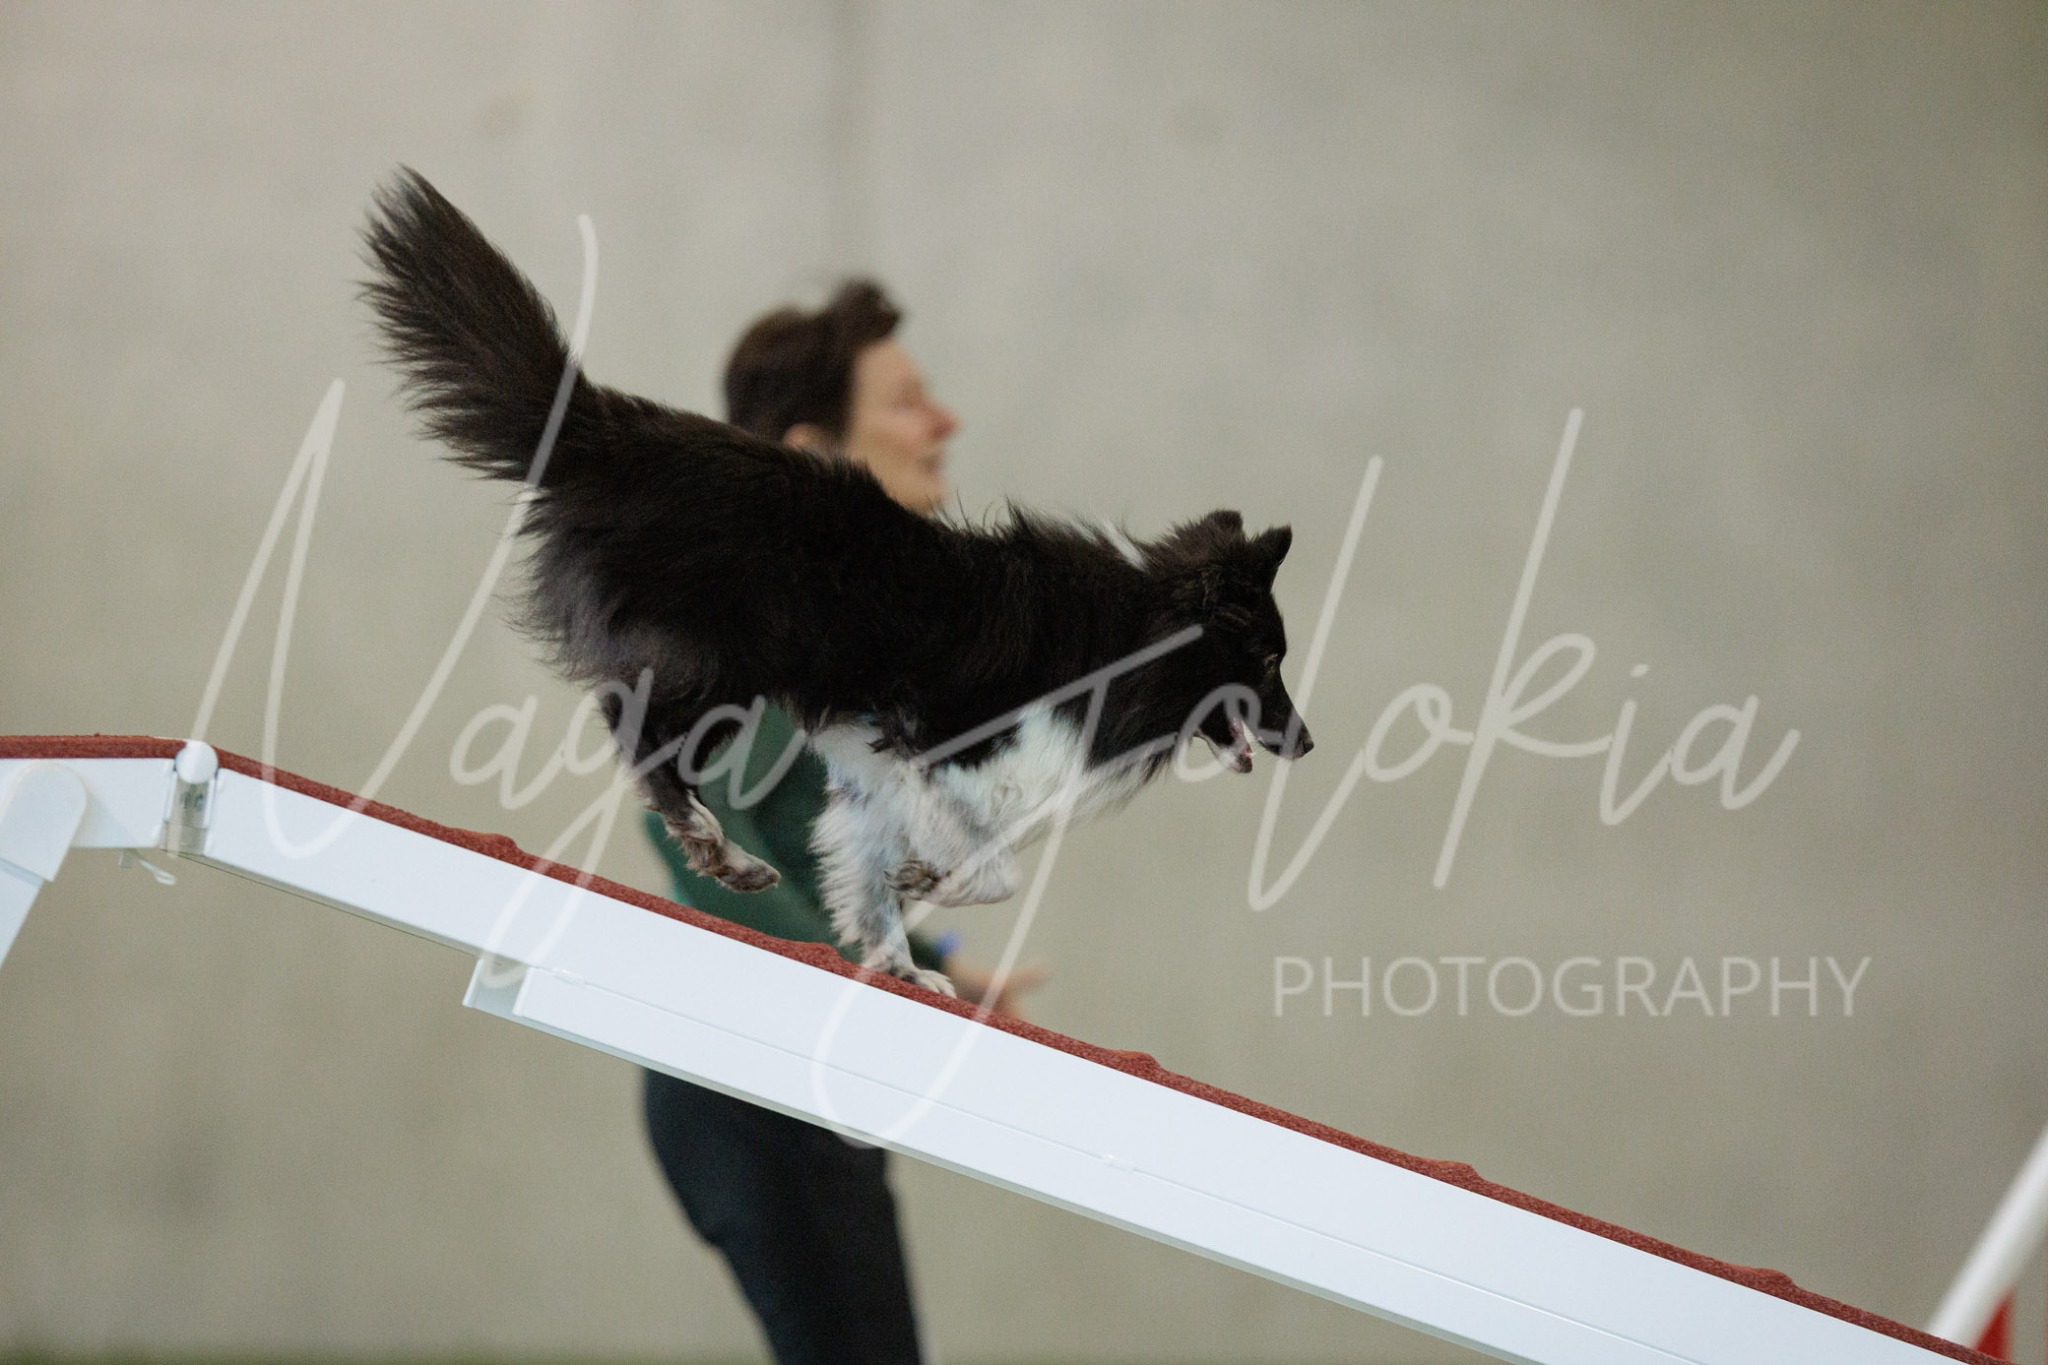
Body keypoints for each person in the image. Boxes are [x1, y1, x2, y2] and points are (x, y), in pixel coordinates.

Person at [641, 280, 1044, 1365]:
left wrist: (933, 964)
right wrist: (865, 990)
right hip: (751, 1088)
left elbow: (798, 851)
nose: (945, 420)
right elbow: (691, 835)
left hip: (785, 1080)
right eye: (906, 402)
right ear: (814, 455)